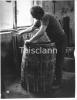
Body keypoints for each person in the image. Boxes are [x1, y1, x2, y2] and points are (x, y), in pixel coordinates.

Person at [19, 6, 67, 88]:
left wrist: (30, 41)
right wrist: (21, 32)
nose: (33, 17)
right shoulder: (39, 19)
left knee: (58, 61)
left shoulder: (46, 17)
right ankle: (54, 78)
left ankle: (58, 82)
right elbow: (32, 28)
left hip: (61, 40)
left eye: (33, 15)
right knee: (55, 60)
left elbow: (41, 31)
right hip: (55, 40)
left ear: (38, 13)